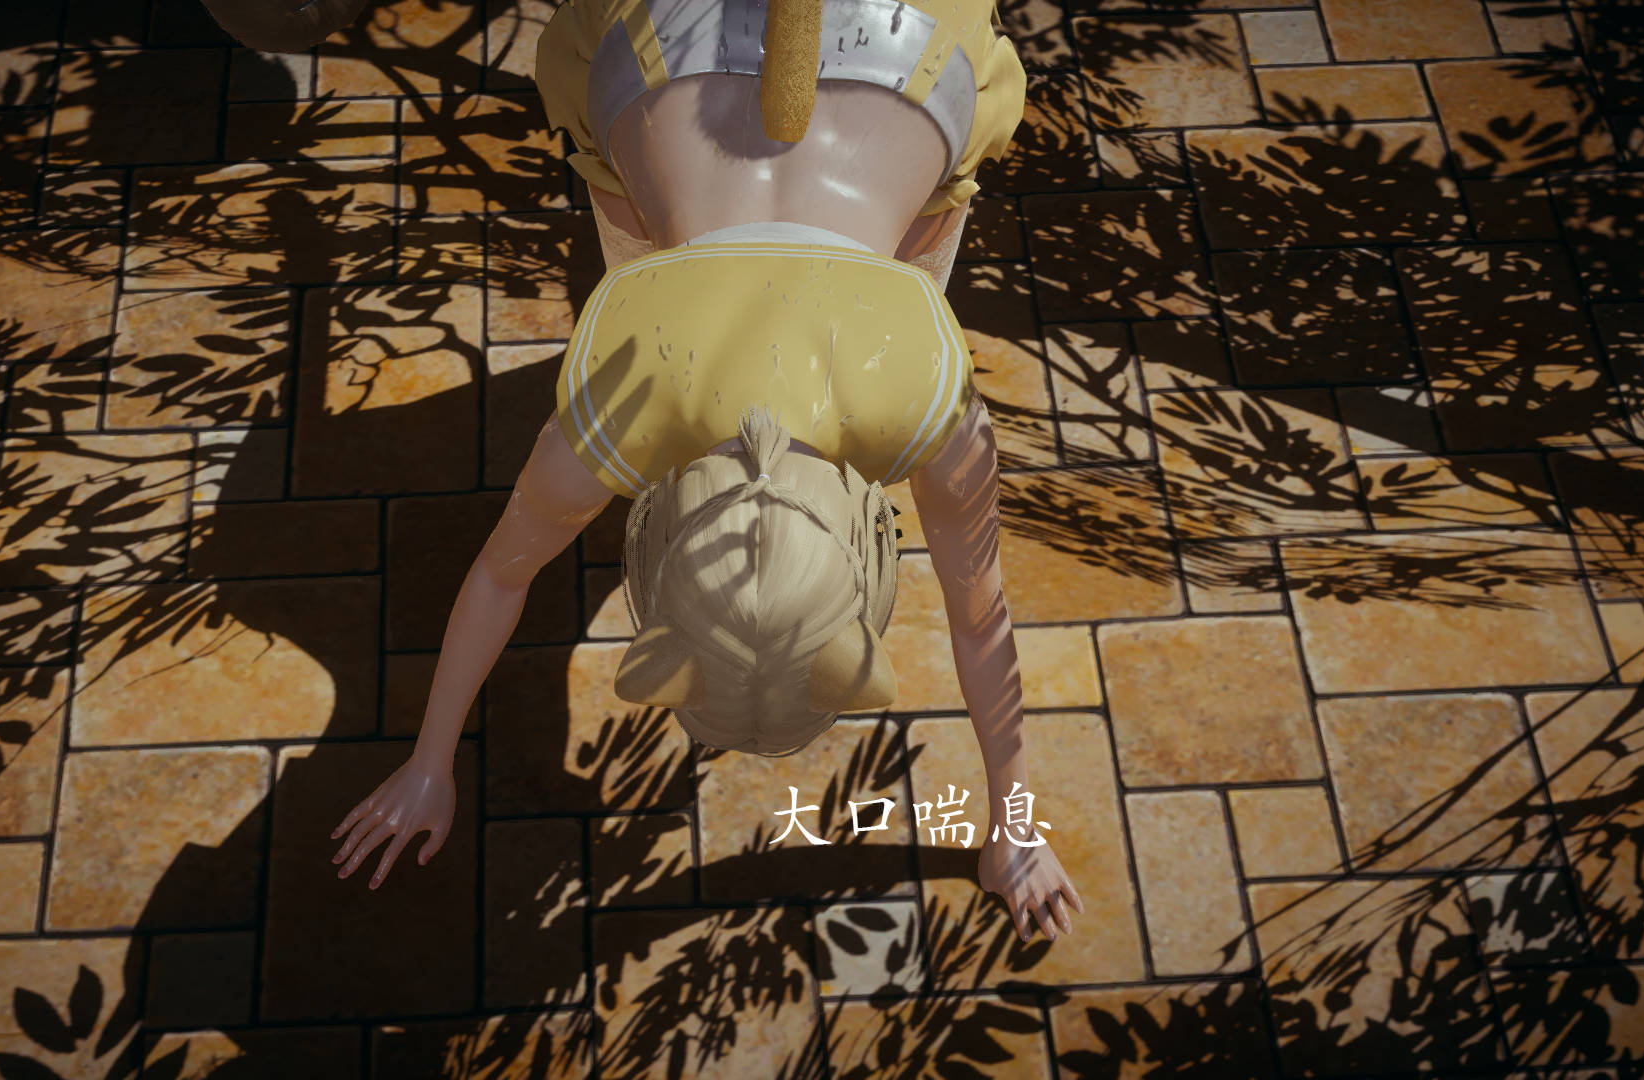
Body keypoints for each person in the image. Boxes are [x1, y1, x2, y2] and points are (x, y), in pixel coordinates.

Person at [202, 0, 1084, 944]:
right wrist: (428, 760)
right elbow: (979, 614)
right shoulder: (622, 411)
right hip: (670, 50)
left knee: (753, 213)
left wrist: (431, 761)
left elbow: (503, 573)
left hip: (902, 52)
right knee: (657, 200)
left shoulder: (920, 396)